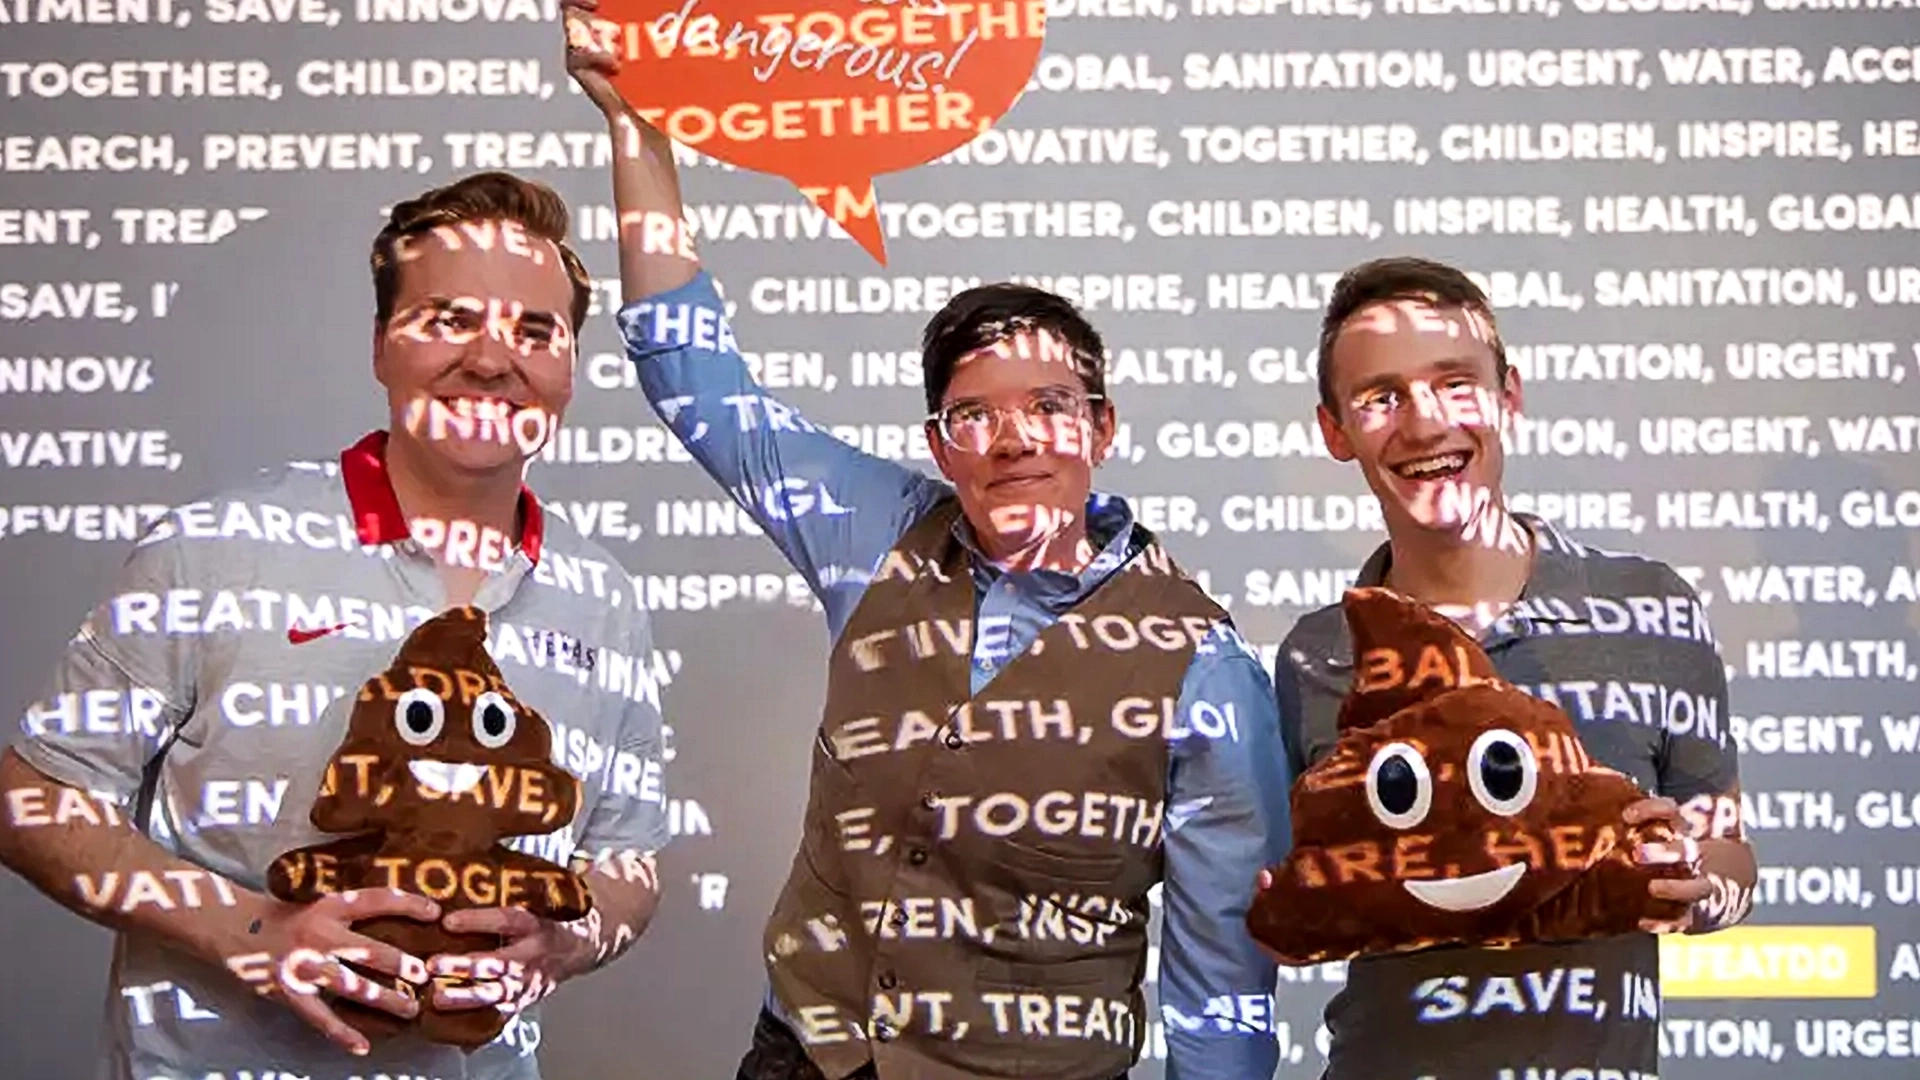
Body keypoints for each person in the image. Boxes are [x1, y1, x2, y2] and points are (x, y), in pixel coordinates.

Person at [561, 7, 1291, 1080]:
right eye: (974, 415)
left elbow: (1222, 976)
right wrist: (637, 122)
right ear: (938, 446)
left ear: (1101, 428)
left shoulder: (1206, 669)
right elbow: (691, 374)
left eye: (1049, 404)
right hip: (805, 1056)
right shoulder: (880, 532)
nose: (1013, 440)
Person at [0, 171, 671, 1080]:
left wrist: (572, 940)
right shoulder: (220, 547)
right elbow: (33, 805)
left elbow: (627, 859)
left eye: (535, 330)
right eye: (448, 319)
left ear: (566, 370)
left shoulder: (604, 596)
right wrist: (250, 932)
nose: (492, 357)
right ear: (380, 347)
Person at [1268, 255, 1756, 1078]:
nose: (1424, 426)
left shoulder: (1651, 605)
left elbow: (1731, 856)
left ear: (1509, 397)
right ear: (1335, 431)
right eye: (1381, 397)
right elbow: (1304, 895)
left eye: (1455, 384)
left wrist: (1694, 881)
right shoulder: (1320, 654)